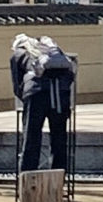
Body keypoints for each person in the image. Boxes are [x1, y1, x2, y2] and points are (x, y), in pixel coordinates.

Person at [13, 34, 77, 173]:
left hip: (36, 95)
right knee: (59, 138)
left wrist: (25, 98)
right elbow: (71, 73)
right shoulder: (54, 50)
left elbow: (17, 85)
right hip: (60, 95)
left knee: (31, 136)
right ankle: (59, 178)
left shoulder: (19, 54)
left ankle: (28, 177)